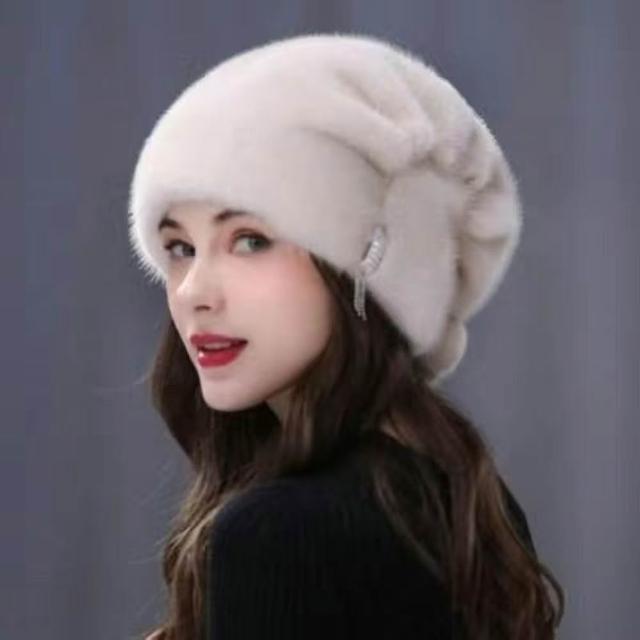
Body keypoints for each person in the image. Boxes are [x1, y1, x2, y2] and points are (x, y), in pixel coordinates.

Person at [128, 33, 564, 640]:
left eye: (250, 240)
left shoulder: (276, 534)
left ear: (360, 269)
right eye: (179, 247)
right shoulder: (466, 500)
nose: (194, 291)